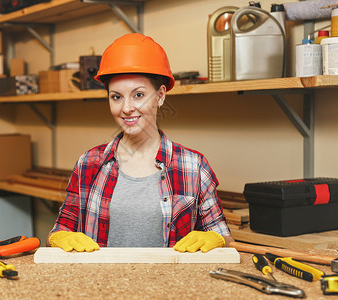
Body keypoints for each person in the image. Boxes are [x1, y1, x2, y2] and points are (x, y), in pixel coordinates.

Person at [47, 33, 234, 253]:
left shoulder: (193, 167)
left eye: (138, 95)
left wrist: (216, 239)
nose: (126, 108)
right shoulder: (89, 163)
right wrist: (58, 237)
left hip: (173, 286)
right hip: (99, 285)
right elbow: (62, 228)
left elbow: (225, 239)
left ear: (161, 95)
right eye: (116, 97)